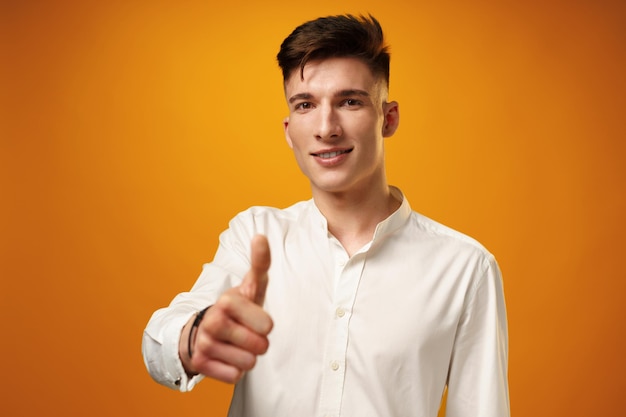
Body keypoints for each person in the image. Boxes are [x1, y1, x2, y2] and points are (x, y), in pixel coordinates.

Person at [142, 14, 509, 417]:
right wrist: (196, 335)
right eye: (305, 105)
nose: (326, 127)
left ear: (388, 118)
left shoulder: (466, 268)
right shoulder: (255, 236)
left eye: (349, 101)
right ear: (288, 129)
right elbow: (160, 341)